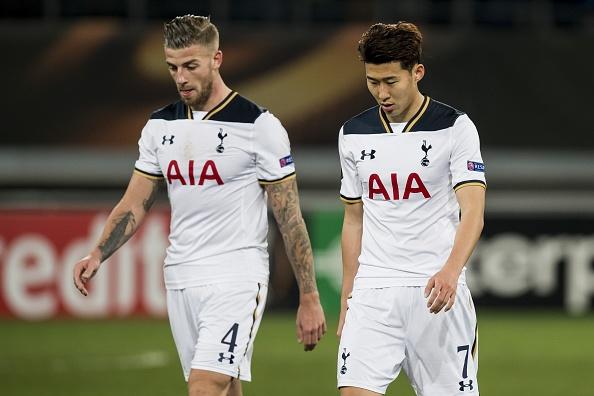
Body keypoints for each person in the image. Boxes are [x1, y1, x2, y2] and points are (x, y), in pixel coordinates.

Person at [72, 14, 326, 396]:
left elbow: (288, 217)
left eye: (191, 66)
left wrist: (309, 297)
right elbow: (136, 201)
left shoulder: (259, 127)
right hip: (181, 277)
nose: (181, 78)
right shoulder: (159, 127)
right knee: (225, 387)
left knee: (204, 387)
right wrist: (97, 252)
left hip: (237, 276)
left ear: (217, 59)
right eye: (173, 67)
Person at [336, 22, 486, 395]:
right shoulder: (352, 133)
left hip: (435, 294)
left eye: (391, 81)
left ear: (416, 72)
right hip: (373, 294)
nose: (381, 92)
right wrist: (347, 297)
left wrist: (452, 271)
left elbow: (473, 212)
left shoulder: (454, 128)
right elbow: (354, 220)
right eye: (373, 82)